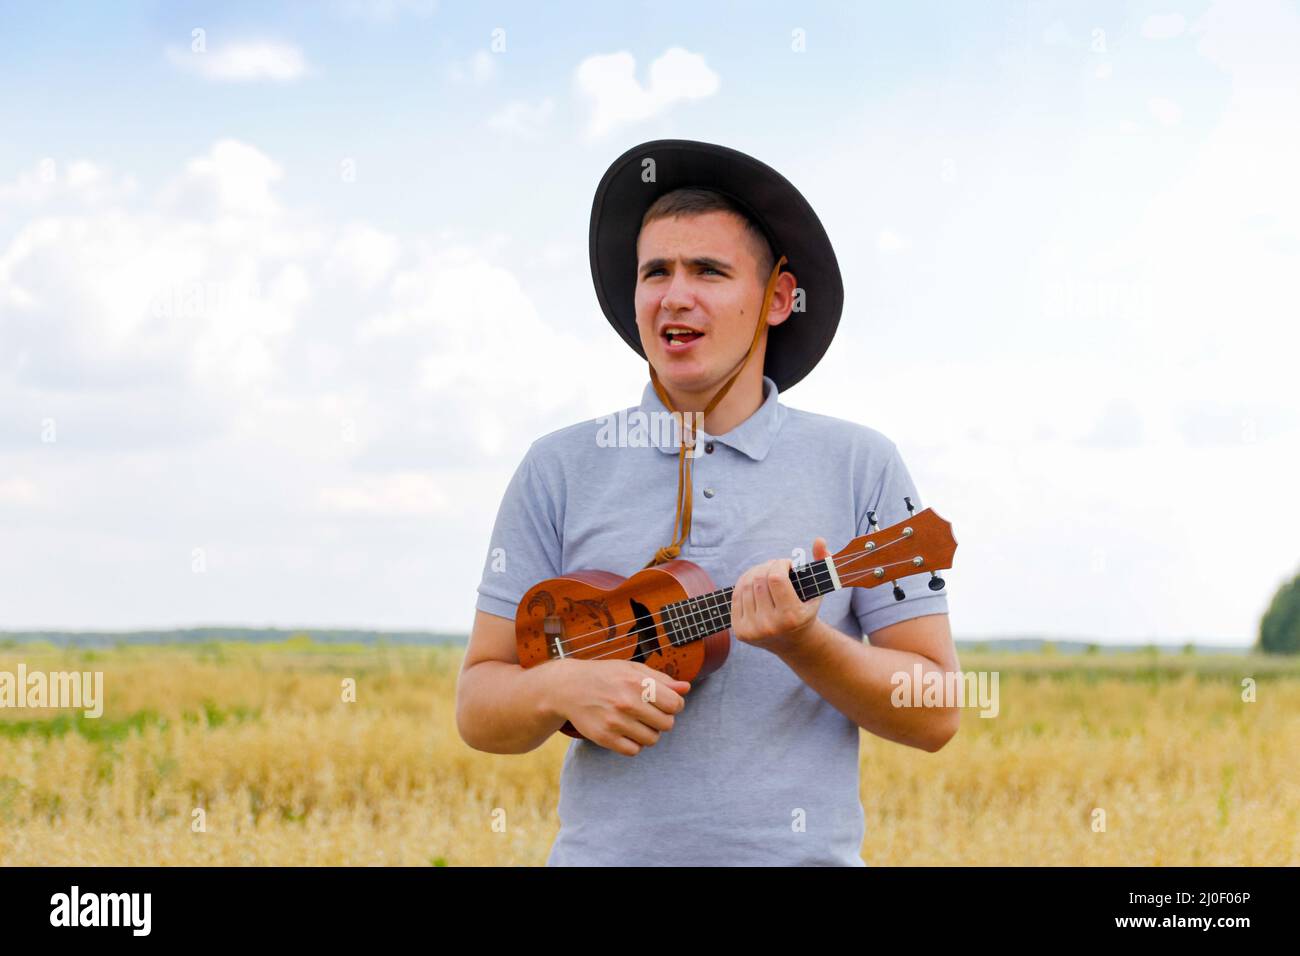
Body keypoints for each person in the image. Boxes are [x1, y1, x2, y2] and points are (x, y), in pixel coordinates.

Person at [457, 139, 959, 866]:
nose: (674, 295)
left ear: (779, 299)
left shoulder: (860, 464)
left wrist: (804, 642)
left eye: (709, 271)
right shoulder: (558, 467)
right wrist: (564, 686)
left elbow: (935, 711)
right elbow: (479, 707)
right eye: (655, 271)